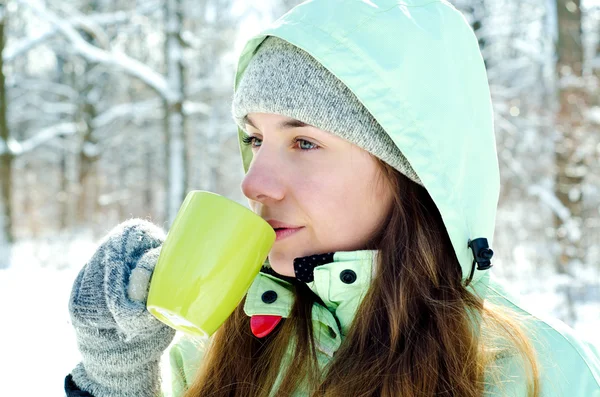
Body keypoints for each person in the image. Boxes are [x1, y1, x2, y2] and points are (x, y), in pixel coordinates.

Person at [64, 0, 600, 396]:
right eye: (255, 139)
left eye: (304, 142)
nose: (254, 182)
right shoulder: (209, 347)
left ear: (412, 173)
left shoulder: (540, 373)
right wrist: (116, 378)